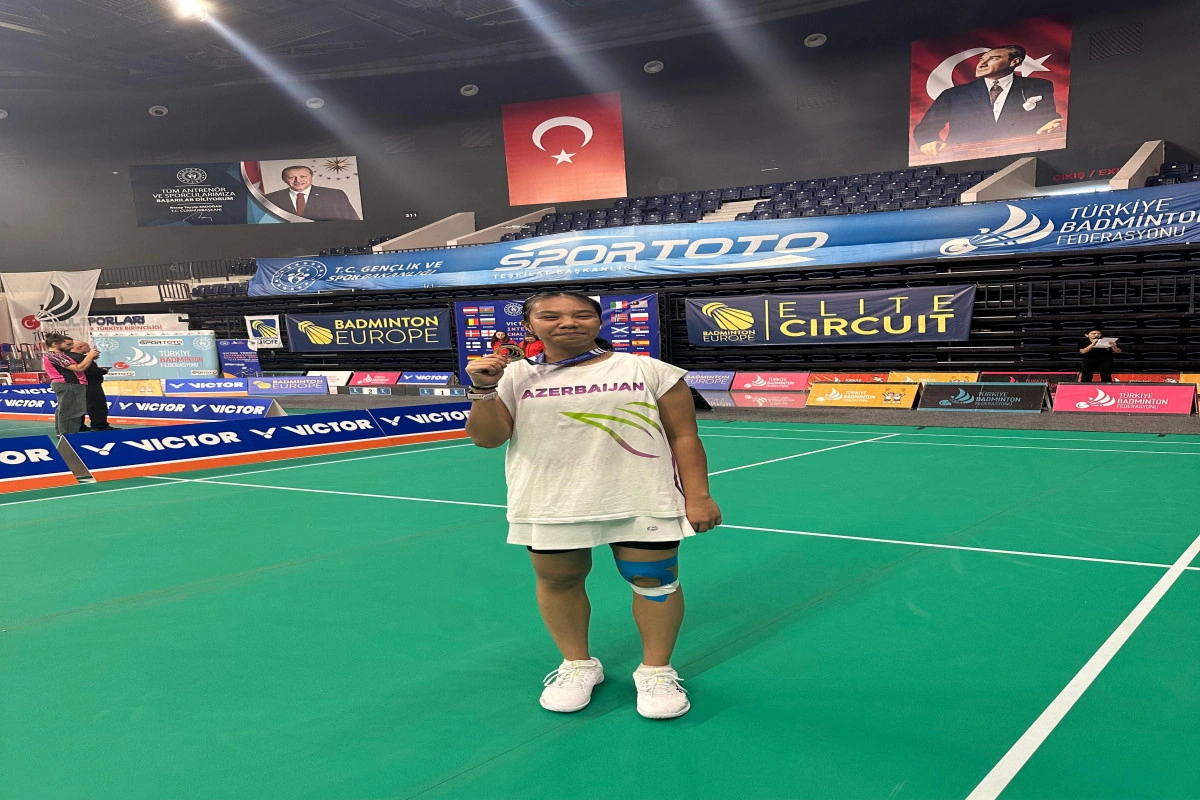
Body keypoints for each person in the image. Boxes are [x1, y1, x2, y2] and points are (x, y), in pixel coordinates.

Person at [465, 290, 721, 720]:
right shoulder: (513, 376)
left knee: (654, 580)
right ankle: (578, 665)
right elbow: (487, 439)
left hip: (640, 495)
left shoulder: (649, 370)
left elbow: (684, 436)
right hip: (550, 500)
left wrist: (698, 495)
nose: (568, 322)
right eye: (551, 316)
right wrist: (483, 389)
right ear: (529, 326)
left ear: (598, 321)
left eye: (581, 314)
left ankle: (656, 671)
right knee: (560, 581)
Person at [914, 45, 1063, 157]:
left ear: (1014, 61)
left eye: (993, 58)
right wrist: (929, 141)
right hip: (965, 161)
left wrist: (1051, 126)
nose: (981, 64)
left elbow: (1048, 118)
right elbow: (926, 129)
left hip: (1020, 158)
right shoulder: (953, 94)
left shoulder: (1039, 86)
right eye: (981, 59)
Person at [41, 333, 99, 437]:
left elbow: (80, 367)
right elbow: (79, 368)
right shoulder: (55, 355)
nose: (71, 347)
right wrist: (90, 356)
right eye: (68, 345)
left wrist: (90, 358)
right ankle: (68, 435)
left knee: (66, 409)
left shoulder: (58, 355)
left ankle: (63, 434)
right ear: (55, 344)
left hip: (70, 384)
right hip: (69, 384)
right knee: (71, 411)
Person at [263, 166, 360, 221]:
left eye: (303, 176)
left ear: (312, 177)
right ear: (284, 179)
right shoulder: (270, 199)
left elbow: (352, 222)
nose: (298, 180)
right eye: (291, 177)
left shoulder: (334, 195)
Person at [69, 339, 115, 431]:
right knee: (96, 406)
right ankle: (99, 425)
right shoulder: (82, 358)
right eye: (88, 346)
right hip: (91, 385)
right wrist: (103, 371)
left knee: (78, 407)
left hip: (75, 385)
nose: (89, 348)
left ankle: (79, 426)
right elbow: (92, 371)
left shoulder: (67, 357)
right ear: (80, 347)